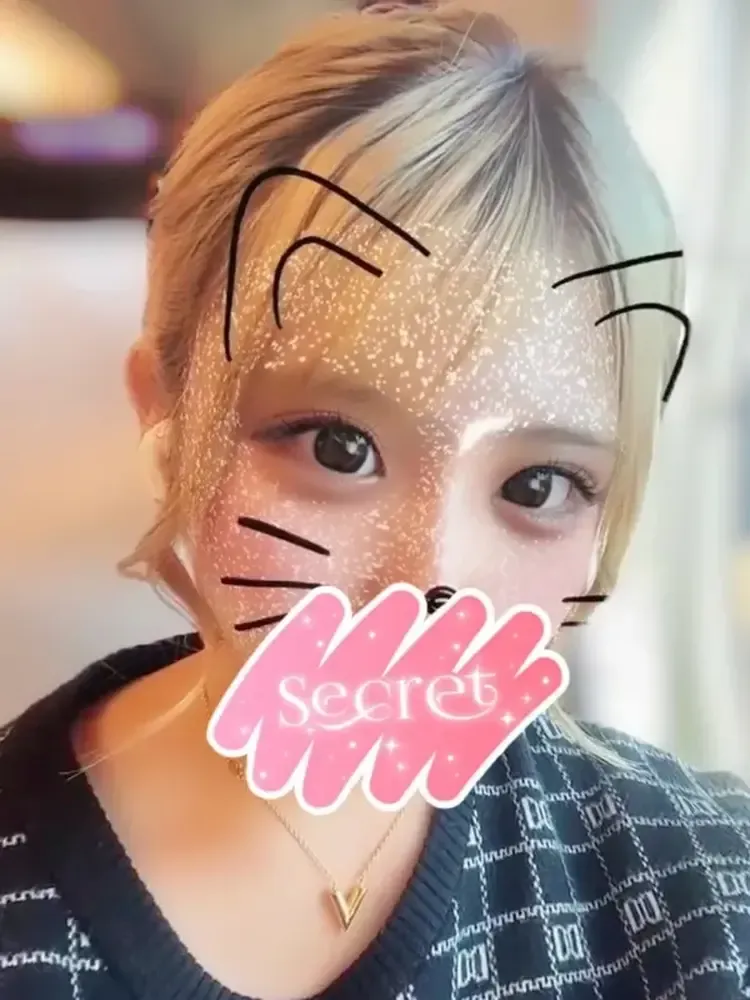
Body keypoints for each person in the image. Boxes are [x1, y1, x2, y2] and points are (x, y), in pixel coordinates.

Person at [2, 1, 748, 998]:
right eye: (339, 447)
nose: (429, 575)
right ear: (165, 410)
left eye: (537, 485)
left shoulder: (709, 893)